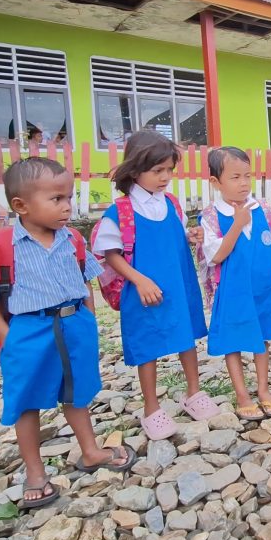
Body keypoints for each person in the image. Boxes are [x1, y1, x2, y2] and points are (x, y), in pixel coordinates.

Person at [0, 157, 136, 508]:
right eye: (56, 199)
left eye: (68, 198)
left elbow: (87, 279)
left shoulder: (72, 239)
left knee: (76, 392)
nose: (66, 207)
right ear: (21, 206)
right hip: (28, 329)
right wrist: (7, 336)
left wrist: (88, 319)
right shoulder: (2, 246)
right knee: (26, 400)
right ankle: (35, 472)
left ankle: (90, 451)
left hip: (74, 323)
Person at [91, 131, 220, 441]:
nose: (165, 177)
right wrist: (139, 279)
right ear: (135, 170)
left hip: (177, 283)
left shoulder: (172, 203)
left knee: (186, 336)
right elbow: (109, 253)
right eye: (157, 171)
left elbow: (174, 237)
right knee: (147, 345)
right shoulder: (120, 211)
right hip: (143, 290)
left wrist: (191, 236)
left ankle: (194, 391)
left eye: (169, 170)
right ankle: (152, 408)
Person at [199, 147, 271, 421]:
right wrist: (237, 225)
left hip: (262, 288)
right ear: (215, 182)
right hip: (232, 291)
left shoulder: (263, 208)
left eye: (247, 176)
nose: (243, 183)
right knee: (233, 341)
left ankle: (263, 389)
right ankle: (241, 394)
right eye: (235, 177)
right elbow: (215, 255)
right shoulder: (211, 216)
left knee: (262, 338)